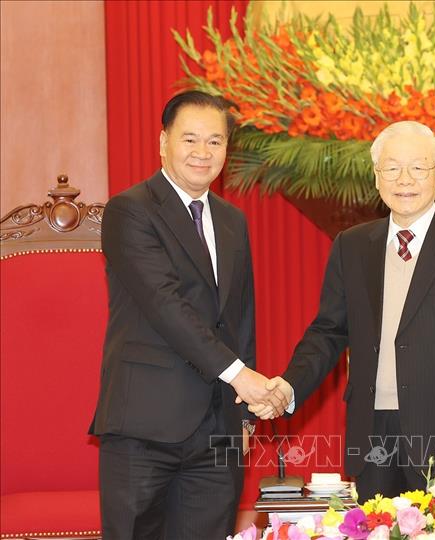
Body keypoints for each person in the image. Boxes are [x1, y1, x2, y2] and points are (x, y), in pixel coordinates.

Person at [253, 121, 435, 503]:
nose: (404, 179)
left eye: (418, 167)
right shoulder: (352, 246)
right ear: (377, 178)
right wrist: (290, 385)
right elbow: (329, 331)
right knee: (373, 528)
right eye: (392, 168)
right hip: (373, 435)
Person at [90, 91, 287, 540]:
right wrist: (242, 377)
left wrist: (244, 416)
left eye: (215, 141)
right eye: (190, 139)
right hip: (145, 424)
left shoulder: (233, 221)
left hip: (217, 432)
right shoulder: (130, 210)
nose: (203, 152)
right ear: (164, 142)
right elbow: (166, 305)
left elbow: (239, 319)